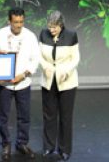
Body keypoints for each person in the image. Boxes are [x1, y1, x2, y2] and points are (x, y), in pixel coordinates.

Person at [0, 8, 40, 160]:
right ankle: (6, 144)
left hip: (23, 82)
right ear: (9, 21)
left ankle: (22, 143)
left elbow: (35, 59)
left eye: (21, 22)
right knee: (3, 116)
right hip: (4, 84)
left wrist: (23, 75)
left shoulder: (30, 36)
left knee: (24, 115)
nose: (19, 25)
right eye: (16, 22)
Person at [38, 11, 80, 161]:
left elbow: (75, 58)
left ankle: (64, 149)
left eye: (54, 27)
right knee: (49, 116)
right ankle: (48, 147)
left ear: (61, 24)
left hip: (66, 81)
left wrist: (67, 71)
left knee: (65, 117)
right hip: (49, 80)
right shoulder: (43, 34)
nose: (51, 30)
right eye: (50, 27)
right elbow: (39, 55)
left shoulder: (71, 35)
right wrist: (45, 67)